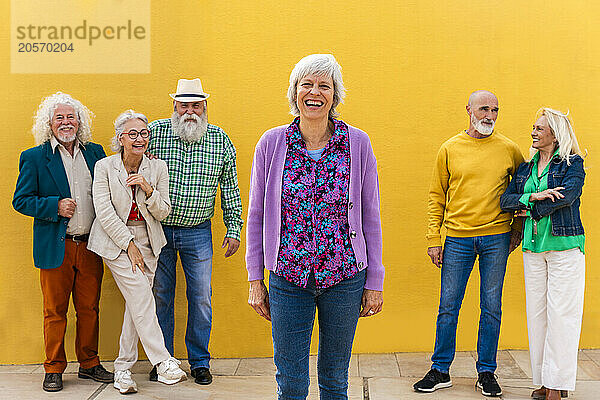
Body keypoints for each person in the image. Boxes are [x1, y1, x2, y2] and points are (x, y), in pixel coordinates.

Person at [246, 53, 385, 400]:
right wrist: (254, 279)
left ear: (335, 96)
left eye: (325, 85)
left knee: (335, 380)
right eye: (307, 84)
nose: (315, 92)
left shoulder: (358, 143)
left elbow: (370, 214)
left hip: (345, 277)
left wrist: (375, 280)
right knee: (291, 382)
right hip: (288, 277)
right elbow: (257, 215)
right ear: (295, 93)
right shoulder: (272, 143)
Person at [414, 90, 524, 397]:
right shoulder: (449, 148)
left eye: (495, 110)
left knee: (491, 306)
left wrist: (516, 228)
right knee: (448, 306)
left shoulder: (509, 149)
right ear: (469, 110)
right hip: (457, 240)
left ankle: (486, 372)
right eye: (484, 108)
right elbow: (436, 197)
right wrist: (434, 239)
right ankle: (440, 370)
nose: (490, 115)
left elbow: (523, 192)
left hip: (497, 238)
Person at [12, 92, 113, 392]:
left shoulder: (96, 154)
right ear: (50, 123)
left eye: (71, 117)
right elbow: (21, 200)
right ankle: (54, 367)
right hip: (57, 245)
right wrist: (54, 206)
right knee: (54, 311)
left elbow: (116, 180)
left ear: (79, 122)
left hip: (91, 246)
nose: (66, 122)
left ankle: (89, 364)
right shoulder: (34, 157)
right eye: (60, 118)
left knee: (89, 309)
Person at [147, 78, 243, 385]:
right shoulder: (154, 134)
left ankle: (200, 361)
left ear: (205, 107)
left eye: (196, 106)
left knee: (201, 297)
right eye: (184, 105)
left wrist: (234, 227)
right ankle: (162, 360)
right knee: (160, 296)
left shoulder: (219, 139)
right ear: (174, 106)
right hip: (157, 229)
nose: (190, 111)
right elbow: (129, 163)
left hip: (198, 231)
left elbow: (230, 186)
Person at [87, 110, 187, 394]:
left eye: (143, 133)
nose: (139, 138)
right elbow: (104, 212)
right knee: (142, 296)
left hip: (150, 240)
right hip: (115, 241)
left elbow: (163, 211)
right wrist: (129, 245)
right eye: (132, 133)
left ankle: (122, 370)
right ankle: (163, 360)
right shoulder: (105, 167)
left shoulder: (157, 168)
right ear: (120, 137)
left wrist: (148, 188)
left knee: (136, 305)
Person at [500, 108, 585, 400]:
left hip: (565, 247)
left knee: (563, 317)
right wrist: (532, 196)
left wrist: (529, 208)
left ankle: (557, 386)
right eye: (533, 127)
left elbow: (567, 196)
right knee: (538, 317)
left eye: (539, 129)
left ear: (555, 134)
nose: (533, 132)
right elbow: (505, 200)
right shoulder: (525, 168)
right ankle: (544, 381)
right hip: (533, 249)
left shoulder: (573, 164)